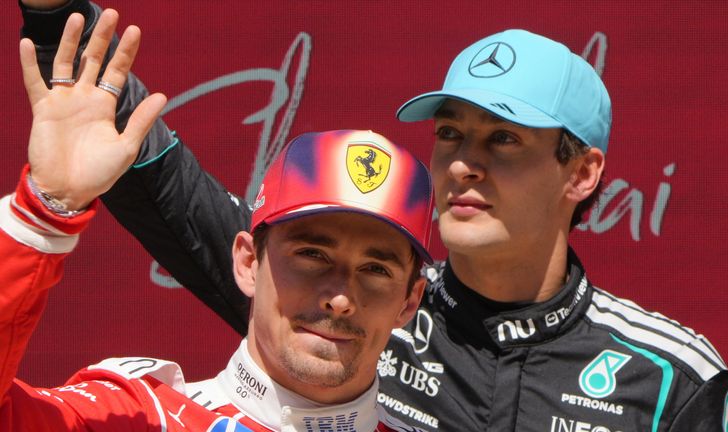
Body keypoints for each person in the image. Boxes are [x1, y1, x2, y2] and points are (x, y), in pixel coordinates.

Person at [17, 1, 728, 431]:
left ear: (582, 173)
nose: (464, 163)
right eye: (450, 134)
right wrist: (56, 22)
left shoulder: (671, 376)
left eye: (503, 140)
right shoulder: (357, 304)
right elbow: (165, 187)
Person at [2, 10, 435, 431]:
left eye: (376, 269)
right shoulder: (137, 416)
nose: (340, 297)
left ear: (409, 301)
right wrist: (43, 213)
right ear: (248, 262)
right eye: (311, 254)